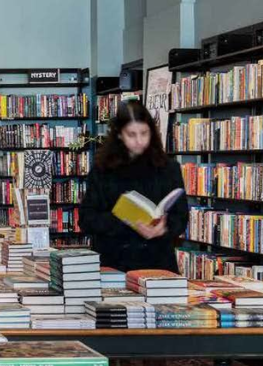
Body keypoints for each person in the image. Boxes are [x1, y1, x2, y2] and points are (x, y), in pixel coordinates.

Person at [78, 99, 189, 272]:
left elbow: (181, 217)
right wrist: (125, 221)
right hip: (115, 263)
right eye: (132, 134)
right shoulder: (103, 169)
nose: (139, 140)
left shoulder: (168, 168)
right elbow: (86, 220)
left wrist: (164, 228)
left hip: (158, 264)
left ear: (152, 132)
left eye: (144, 133)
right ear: (119, 135)